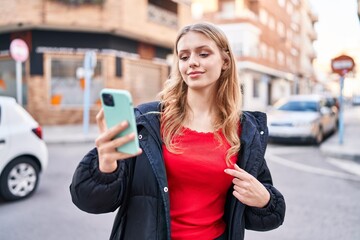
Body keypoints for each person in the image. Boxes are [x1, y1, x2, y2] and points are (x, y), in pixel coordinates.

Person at [70, 22, 286, 240]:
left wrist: (265, 200)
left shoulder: (244, 131)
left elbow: (269, 215)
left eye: (203, 53)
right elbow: (89, 200)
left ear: (225, 61)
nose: (192, 62)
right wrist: (106, 166)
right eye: (183, 57)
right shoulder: (148, 122)